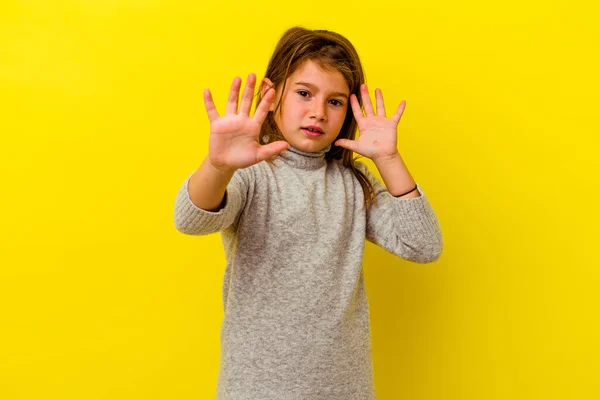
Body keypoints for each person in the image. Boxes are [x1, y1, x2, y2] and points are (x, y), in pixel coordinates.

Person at [173, 26, 443, 400]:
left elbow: (424, 245)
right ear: (272, 94)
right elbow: (191, 220)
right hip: (255, 388)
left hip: (343, 389)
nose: (318, 112)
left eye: (334, 102)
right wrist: (218, 167)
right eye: (304, 93)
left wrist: (389, 159)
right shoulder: (253, 174)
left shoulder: (354, 181)